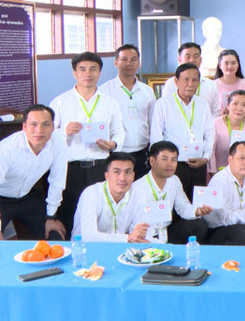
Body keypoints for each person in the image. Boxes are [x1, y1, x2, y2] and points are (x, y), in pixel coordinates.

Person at [50, 52, 125, 235]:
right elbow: (47, 137)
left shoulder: (110, 103)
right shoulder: (60, 102)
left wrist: (112, 145)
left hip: (99, 168)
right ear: (74, 73)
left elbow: (119, 132)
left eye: (93, 69)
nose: (88, 74)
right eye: (82, 69)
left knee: (100, 215)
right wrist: (64, 132)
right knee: (69, 213)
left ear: (100, 72)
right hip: (70, 170)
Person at [0, 105, 67, 240]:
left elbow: (57, 182)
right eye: (33, 124)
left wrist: (51, 216)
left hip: (28, 198)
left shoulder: (59, 142)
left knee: (55, 236)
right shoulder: (7, 149)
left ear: (53, 127)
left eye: (45, 124)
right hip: (2, 200)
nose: (39, 130)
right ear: (24, 127)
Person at [150, 63, 215, 200]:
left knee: (197, 205)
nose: (190, 84)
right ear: (176, 81)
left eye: (194, 80)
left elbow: (210, 135)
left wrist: (206, 158)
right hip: (174, 165)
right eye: (186, 79)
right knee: (174, 204)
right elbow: (156, 137)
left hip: (199, 163)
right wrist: (163, 163)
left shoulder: (202, 104)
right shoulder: (163, 104)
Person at [131, 141, 211, 244]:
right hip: (146, 236)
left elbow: (183, 207)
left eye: (174, 160)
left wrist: (197, 211)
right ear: (152, 161)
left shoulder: (174, 180)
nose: (170, 164)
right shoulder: (138, 188)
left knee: (199, 224)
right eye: (164, 159)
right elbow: (135, 226)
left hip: (166, 231)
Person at [99, 44, 154, 180]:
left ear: (139, 63)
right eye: (124, 59)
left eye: (133, 59)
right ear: (116, 62)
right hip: (117, 153)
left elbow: (153, 122)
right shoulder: (104, 91)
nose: (129, 63)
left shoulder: (147, 91)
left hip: (142, 154)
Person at [72, 153, 149, 243]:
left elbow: (137, 234)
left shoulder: (139, 196)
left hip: (121, 249)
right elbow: (88, 237)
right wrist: (127, 238)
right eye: (117, 172)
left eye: (128, 172)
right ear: (107, 175)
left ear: (133, 176)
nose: (122, 178)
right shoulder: (91, 193)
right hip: (84, 250)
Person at [161, 43, 221, 117]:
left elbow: (216, 114)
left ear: (200, 60)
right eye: (188, 56)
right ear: (180, 59)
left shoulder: (210, 85)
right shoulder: (171, 84)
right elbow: (164, 110)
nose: (192, 60)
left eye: (195, 56)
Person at [208, 90, 245, 175]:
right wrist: (213, 173)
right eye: (235, 104)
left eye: (244, 105)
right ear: (228, 105)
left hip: (241, 175)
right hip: (217, 173)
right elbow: (210, 152)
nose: (239, 108)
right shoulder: (215, 124)